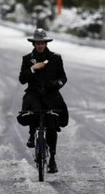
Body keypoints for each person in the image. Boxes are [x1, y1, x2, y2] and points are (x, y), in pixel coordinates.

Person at [17, 28, 68, 173]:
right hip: (34, 94)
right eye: (37, 43)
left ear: (46, 43)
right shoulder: (27, 59)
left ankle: (52, 159)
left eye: (42, 43)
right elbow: (21, 79)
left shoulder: (55, 58)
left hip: (51, 95)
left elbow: (63, 77)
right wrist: (32, 68)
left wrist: (57, 84)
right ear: (34, 44)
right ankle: (32, 134)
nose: (40, 45)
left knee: (52, 126)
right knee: (32, 112)